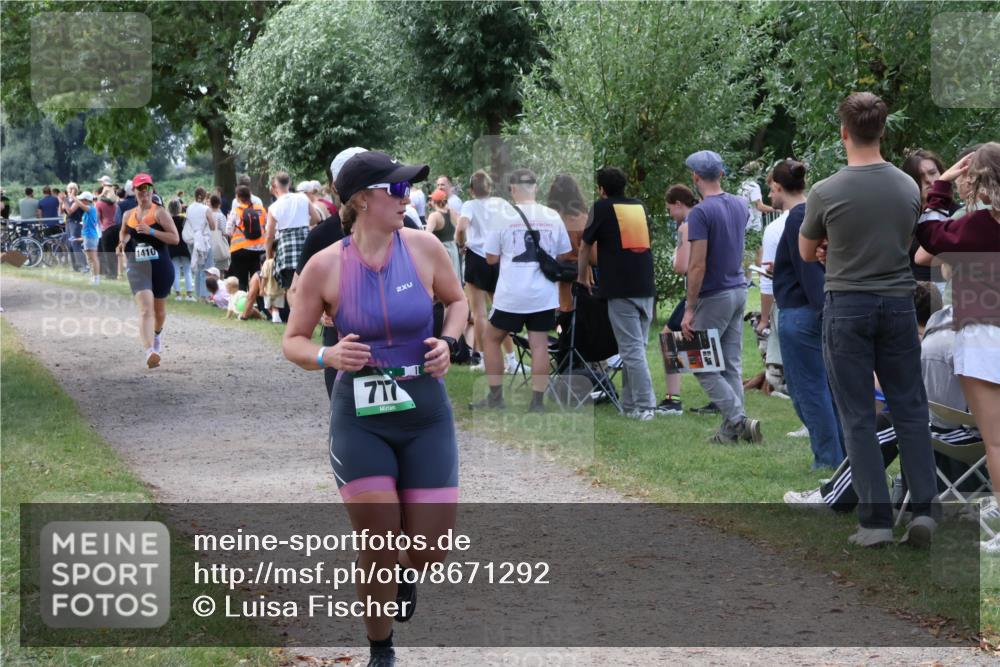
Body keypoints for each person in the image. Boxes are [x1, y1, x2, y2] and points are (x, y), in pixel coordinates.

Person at [283, 150, 468, 667]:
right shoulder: (325, 266)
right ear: (362, 200)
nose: (405, 196)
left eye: (407, 187)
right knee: (379, 538)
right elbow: (292, 340)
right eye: (395, 189)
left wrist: (449, 342)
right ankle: (380, 648)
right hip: (360, 416)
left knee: (429, 551)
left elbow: (457, 303)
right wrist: (327, 353)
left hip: (424, 410)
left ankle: (407, 572)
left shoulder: (426, 247)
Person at [799, 92, 937, 548]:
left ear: (844, 133)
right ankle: (924, 511)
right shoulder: (908, 187)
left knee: (859, 414)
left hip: (849, 305)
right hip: (899, 303)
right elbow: (903, 238)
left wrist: (829, 248)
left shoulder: (826, 190)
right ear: (883, 130)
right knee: (911, 408)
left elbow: (806, 250)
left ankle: (876, 522)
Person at [914, 143, 1000, 554]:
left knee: (996, 442)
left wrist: (941, 187)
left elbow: (929, 234)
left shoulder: (979, 225)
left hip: (984, 335)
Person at [680, 151, 762, 442]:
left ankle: (738, 419)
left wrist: (689, 309)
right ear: (722, 174)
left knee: (699, 363)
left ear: (695, 177)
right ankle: (733, 431)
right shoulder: (740, 204)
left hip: (714, 294)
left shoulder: (700, 212)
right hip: (738, 290)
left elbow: (697, 264)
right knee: (731, 363)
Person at [473, 169, 570, 412]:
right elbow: (564, 253)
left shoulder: (502, 217)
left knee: (491, 339)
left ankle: (496, 398)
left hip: (511, 295)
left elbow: (491, 258)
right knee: (539, 344)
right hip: (543, 295)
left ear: (513, 189)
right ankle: (537, 402)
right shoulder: (552, 215)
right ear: (535, 188)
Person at [770, 159, 845, 469]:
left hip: (803, 315)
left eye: (770, 188)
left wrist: (823, 311)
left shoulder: (797, 217)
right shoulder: (812, 212)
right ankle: (842, 458)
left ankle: (828, 461)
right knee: (823, 389)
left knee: (807, 393)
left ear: (776, 187)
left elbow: (809, 271)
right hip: (812, 310)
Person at [576, 167, 659, 420]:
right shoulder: (638, 207)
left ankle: (646, 406)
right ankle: (631, 404)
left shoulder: (601, 208)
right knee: (635, 349)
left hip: (620, 289)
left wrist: (582, 277)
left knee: (631, 350)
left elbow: (584, 246)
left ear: (601, 189)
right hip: (645, 285)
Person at [289, 146, 364, 398]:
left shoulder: (403, 227)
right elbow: (295, 291)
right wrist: (320, 313)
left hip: (398, 351)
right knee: (347, 423)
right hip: (341, 344)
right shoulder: (321, 235)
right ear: (335, 186)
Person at [456, 170, 518, 373]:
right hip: (497, 258)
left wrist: (461, 243)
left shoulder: (469, 205)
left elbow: (461, 227)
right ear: (490, 187)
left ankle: (484, 359)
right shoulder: (500, 203)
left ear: (471, 190)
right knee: (502, 310)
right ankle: (511, 359)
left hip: (476, 258)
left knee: (479, 314)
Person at [116, 173, 179, 369]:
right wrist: (122, 243)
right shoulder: (128, 215)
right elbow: (125, 234)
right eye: (140, 190)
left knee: (159, 312)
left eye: (148, 189)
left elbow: (174, 238)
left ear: (152, 190)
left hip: (161, 266)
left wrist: (152, 231)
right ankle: (149, 351)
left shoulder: (159, 212)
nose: (144, 193)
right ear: (134, 192)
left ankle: (157, 336)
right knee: (145, 308)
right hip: (138, 267)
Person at [658, 184, 700, 415]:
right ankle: (719, 398)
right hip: (717, 289)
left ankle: (673, 398)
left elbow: (680, 266)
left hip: (696, 292)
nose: (670, 215)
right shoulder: (706, 217)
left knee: (669, 337)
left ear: (678, 204)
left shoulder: (686, 227)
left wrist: (677, 253)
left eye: (669, 209)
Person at [266, 170, 321, 291]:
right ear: (289, 183)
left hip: (287, 250)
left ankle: (294, 310)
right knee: (309, 286)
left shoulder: (273, 207)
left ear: (274, 187)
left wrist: (268, 256)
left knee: (291, 288)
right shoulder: (302, 197)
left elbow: (269, 236)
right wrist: (305, 224)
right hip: (306, 245)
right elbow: (317, 218)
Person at [227, 186, 268, 290]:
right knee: (258, 279)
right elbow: (267, 227)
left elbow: (228, 231)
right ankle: (260, 305)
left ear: (237, 197)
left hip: (240, 250)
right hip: (259, 250)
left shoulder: (236, 211)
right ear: (250, 195)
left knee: (241, 281)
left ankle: (243, 304)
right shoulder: (261, 210)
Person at [184, 187, 215, 299]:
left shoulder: (189, 208)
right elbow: (213, 226)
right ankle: (205, 295)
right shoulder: (206, 209)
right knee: (206, 268)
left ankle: (198, 293)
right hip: (203, 240)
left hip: (192, 240)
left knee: (197, 267)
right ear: (204, 196)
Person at [425, 189, 461, 278]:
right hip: (453, 248)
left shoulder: (434, 216)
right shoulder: (452, 212)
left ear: (433, 202)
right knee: (454, 277)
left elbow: (426, 235)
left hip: (442, 250)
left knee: (443, 279)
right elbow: (460, 229)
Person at [167, 200, 193, 301]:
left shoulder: (168, 220)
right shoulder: (185, 219)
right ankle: (189, 294)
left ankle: (177, 294)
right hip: (185, 247)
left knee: (175, 271)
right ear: (179, 208)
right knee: (187, 271)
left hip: (172, 247)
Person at [62, 182, 86, 270]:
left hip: (75, 223)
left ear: (76, 190)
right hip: (68, 222)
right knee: (69, 244)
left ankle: (83, 265)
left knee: (75, 243)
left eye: (73, 188)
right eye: (69, 188)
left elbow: (70, 211)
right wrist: (64, 201)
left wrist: (64, 201)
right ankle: (75, 266)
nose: (71, 190)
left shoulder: (78, 199)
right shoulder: (67, 199)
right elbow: (63, 210)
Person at [78, 192, 101, 284]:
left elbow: (79, 205)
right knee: (89, 258)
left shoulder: (90, 209)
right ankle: (93, 277)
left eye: (81, 200)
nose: (80, 201)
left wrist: (73, 197)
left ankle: (96, 279)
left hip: (90, 236)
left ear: (86, 201)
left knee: (93, 258)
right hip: (88, 236)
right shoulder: (89, 210)